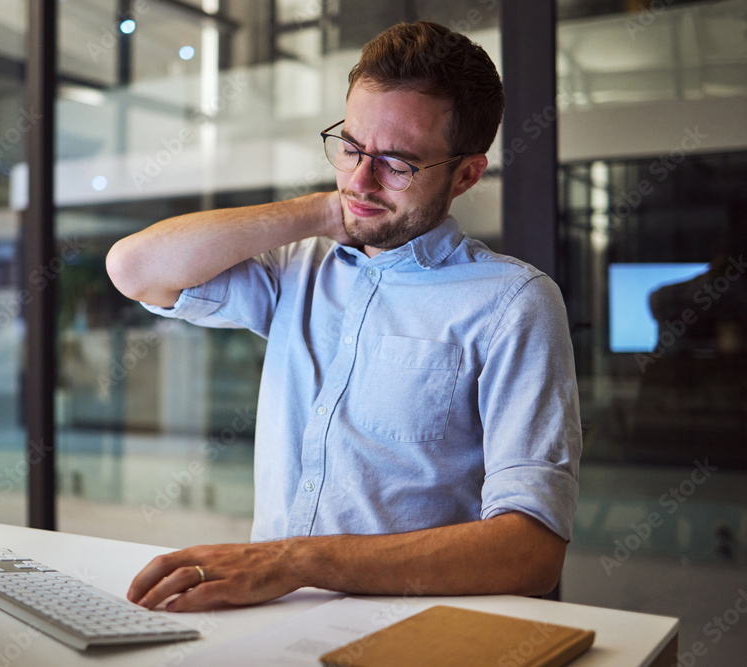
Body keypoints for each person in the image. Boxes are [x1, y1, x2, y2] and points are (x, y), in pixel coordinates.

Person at [106, 21, 581, 613]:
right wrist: (325, 211)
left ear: (466, 174)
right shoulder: (298, 267)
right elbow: (135, 268)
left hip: (416, 632)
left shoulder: (514, 301)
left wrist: (298, 560)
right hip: (270, 621)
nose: (361, 179)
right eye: (352, 147)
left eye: (397, 163)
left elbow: (531, 551)